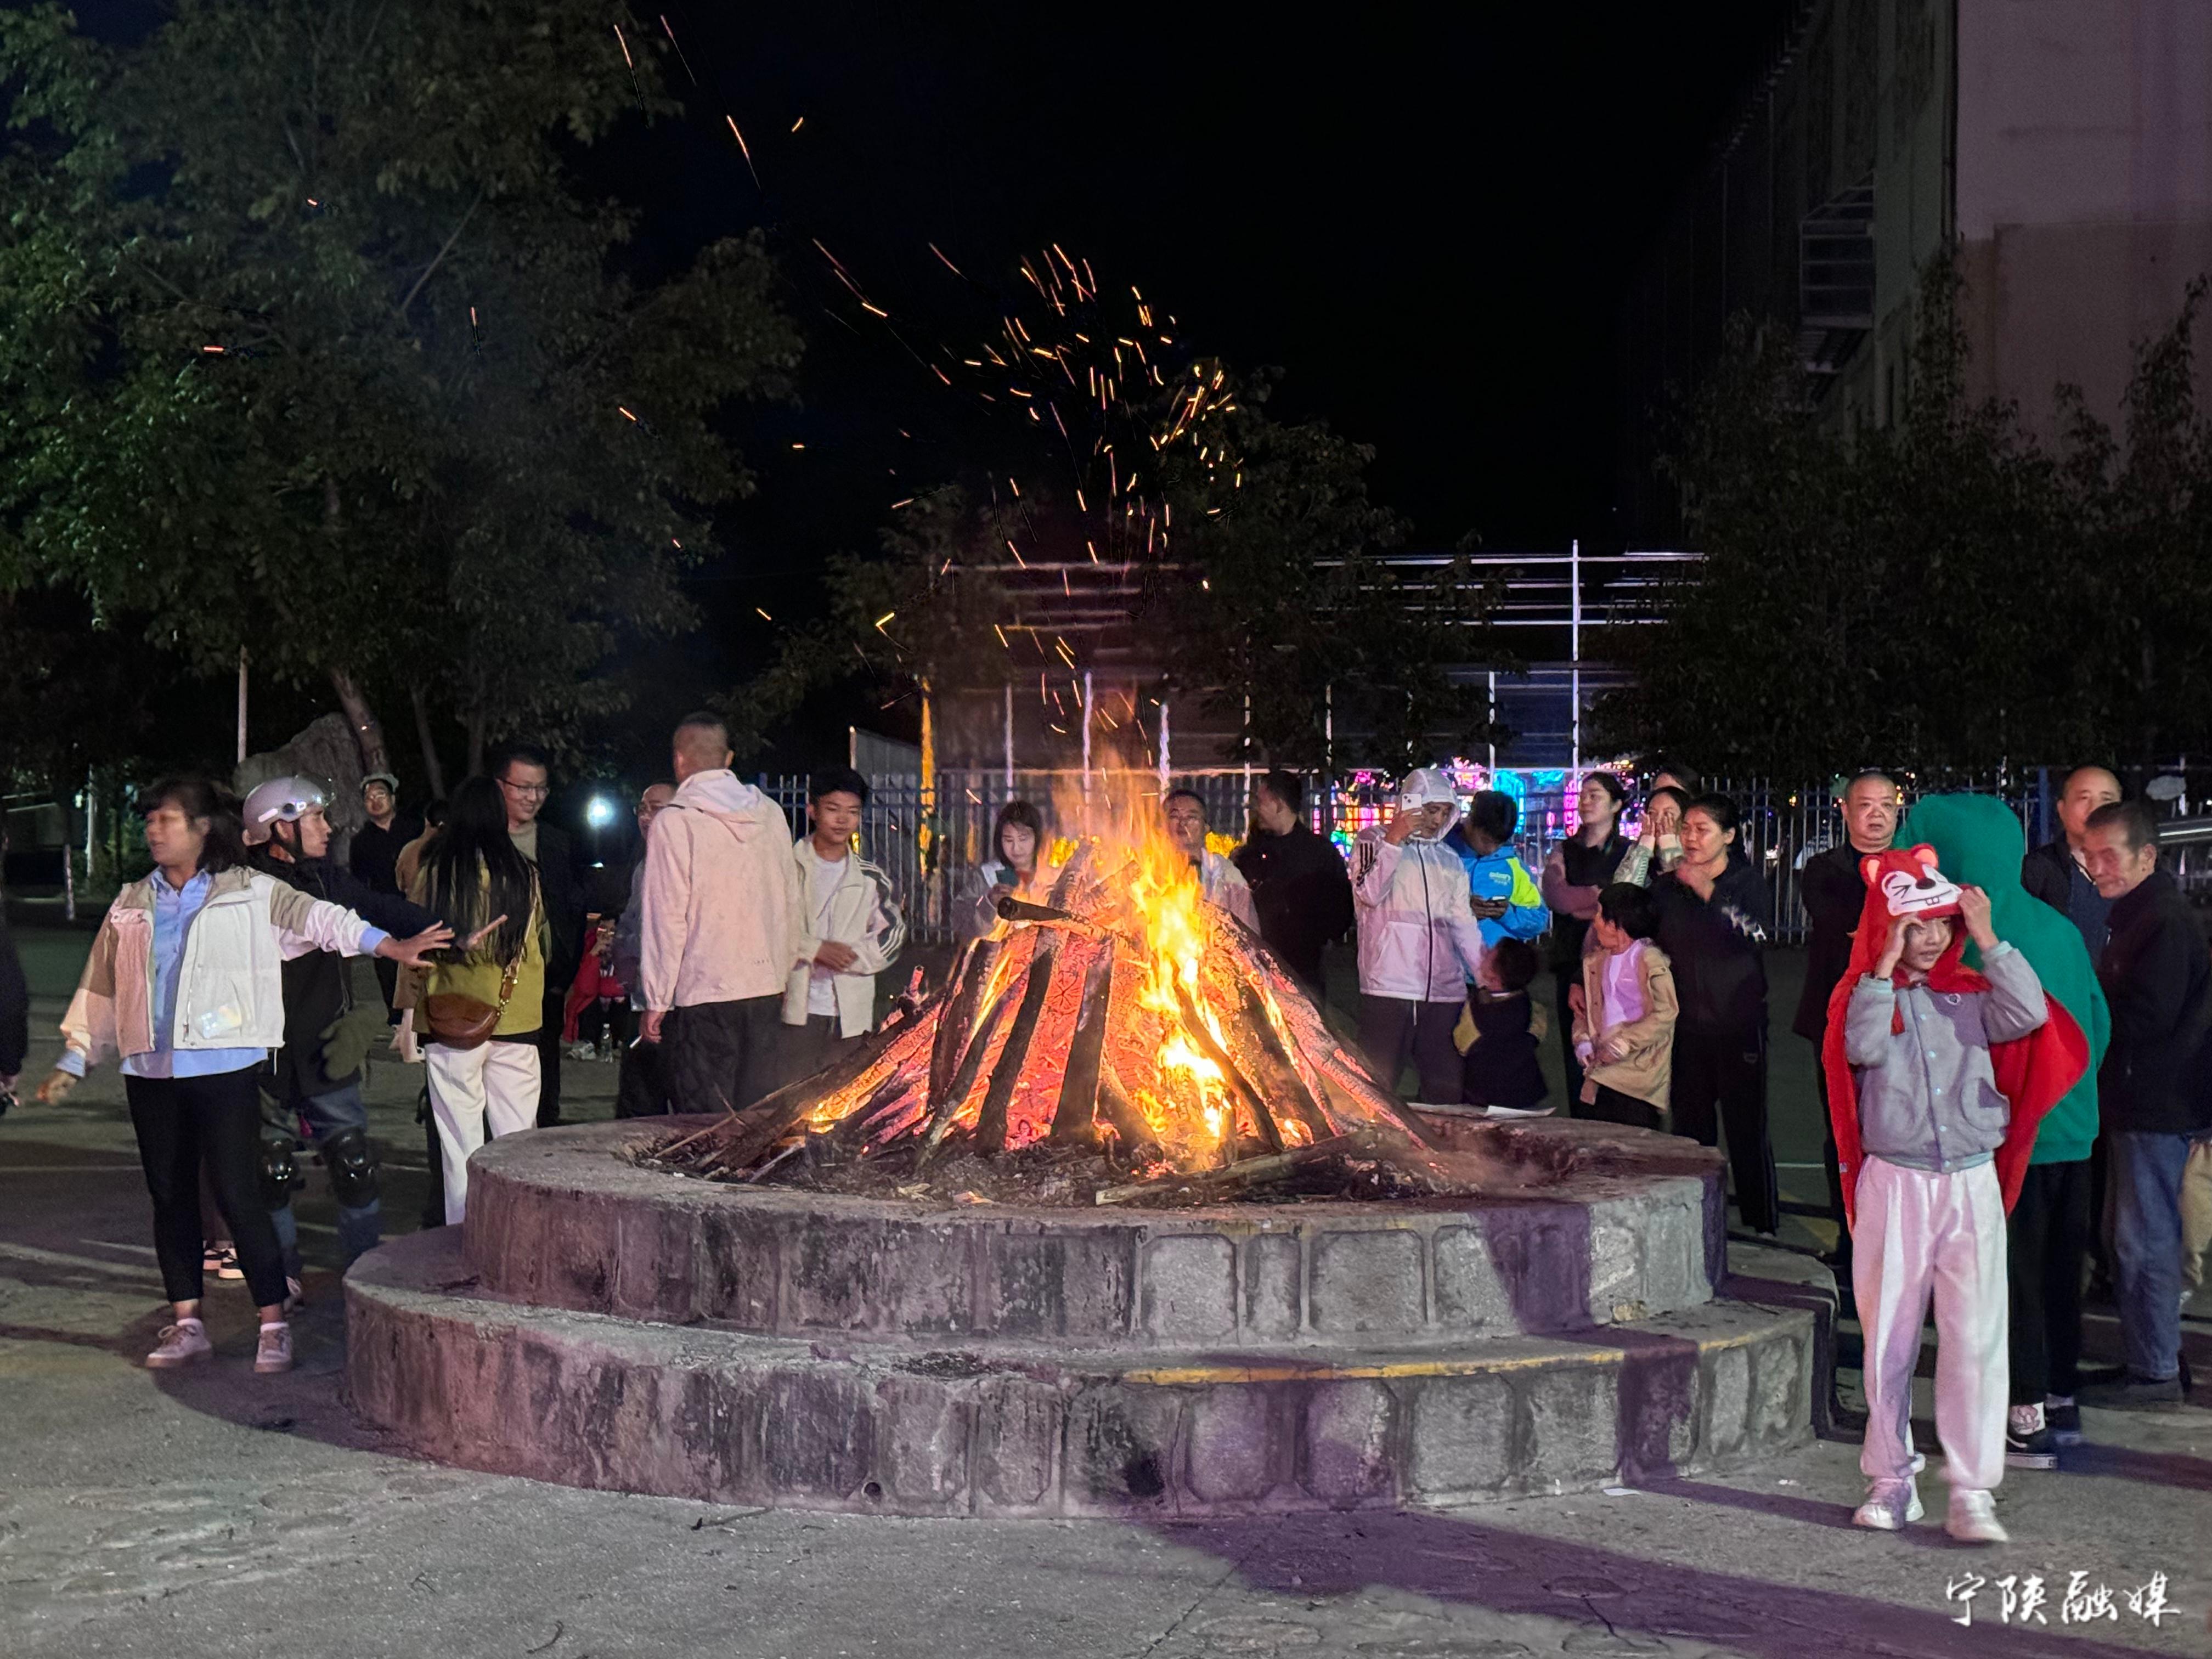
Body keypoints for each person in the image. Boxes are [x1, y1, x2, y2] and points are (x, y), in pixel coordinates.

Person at [35, 779, 445, 1373]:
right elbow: (102, 984)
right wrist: (77, 1056)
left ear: (203, 828)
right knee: (171, 1198)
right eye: (150, 820)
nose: (154, 830)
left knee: (241, 1193)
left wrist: (390, 947)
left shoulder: (251, 891)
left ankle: (273, 1322)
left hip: (224, 1067)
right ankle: (187, 1322)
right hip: (151, 1070)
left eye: (167, 819)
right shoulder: (131, 902)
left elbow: (323, 919)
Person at [1822, 847, 2082, 1543]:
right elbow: (1860, 1048)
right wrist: (1882, 966)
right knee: (1889, 1340)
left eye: (1941, 922)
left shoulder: (1972, 991)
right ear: (1887, 927)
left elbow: (2029, 1013)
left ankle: (1972, 1489)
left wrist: (1990, 939)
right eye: (1916, 924)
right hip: (1895, 1182)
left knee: (1975, 1337)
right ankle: (1890, 1480)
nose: (1932, 937)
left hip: (1970, 1179)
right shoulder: (1865, 995)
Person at [1898, 792, 2109, 1467]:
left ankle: (2023, 1413)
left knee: (2007, 1281)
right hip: (2075, 1129)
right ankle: (2060, 1391)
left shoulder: (1963, 942)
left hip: (2012, 1139)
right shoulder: (2058, 927)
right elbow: (2098, 1023)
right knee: (2059, 1271)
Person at [241, 774, 449, 1279]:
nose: (328, 828)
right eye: (316, 818)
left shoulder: (327, 880)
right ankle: (280, 1280)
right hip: (260, 1054)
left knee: (355, 1164)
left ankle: (364, 1273)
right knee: (270, 1169)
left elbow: (380, 909)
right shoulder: (241, 889)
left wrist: (450, 932)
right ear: (280, 827)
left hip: (325, 1046)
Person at [2078, 799, 2211, 1409]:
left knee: (2144, 1239)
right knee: (2131, 1237)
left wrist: (2087, 1012)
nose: (2096, 868)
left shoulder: (2162, 922)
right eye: (2090, 855)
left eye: (2109, 856)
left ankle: (2155, 1371)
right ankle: (2153, 1360)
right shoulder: (2142, 915)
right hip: (2143, 1101)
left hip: (2156, 1104)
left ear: (2147, 857)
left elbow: (2148, 1019)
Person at [640, 715, 811, 1115]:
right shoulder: (771, 814)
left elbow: (667, 917)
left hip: (704, 993)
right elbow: (790, 900)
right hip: (765, 988)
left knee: (706, 1119)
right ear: (729, 758)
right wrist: (784, 973)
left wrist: (657, 998)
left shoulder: (675, 821)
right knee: (756, 1117)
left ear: (679, 760)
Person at [405, 775, 546, 1224]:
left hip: (452, 1017)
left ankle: (463, 1236)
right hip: (517, 1017)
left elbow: (413, 941)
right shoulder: (524, 873)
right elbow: (538, 941)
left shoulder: (436, 872)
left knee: (458, 1143)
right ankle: (519, 1232)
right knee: (517, 1141)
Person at [1651, 793, 1779, 1235]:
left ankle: (1761, 1223)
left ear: (1728, 836)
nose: (1690, 837)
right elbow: (1633, 925)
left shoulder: (1745, 882)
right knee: (1690, 1129)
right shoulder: (1669, 887)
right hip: (1686, 1026)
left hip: (1738, 1025)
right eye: (1685, 828)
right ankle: (1696, 1216)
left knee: (1746, 1128)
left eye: (1702, 829)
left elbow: (1756, 934)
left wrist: (1708, 889)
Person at [1793, 771, 1900, 1280]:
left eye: (1886, 805)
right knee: (1843, 1128)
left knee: (1895, 1128)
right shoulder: (1824, 869)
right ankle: (1849, 1235)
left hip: (1900, 1017)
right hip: (1836, 1016)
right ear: (1844, 810)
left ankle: (1894, 1239)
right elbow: (1846, 925)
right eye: (1865, 805)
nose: (1876, 815)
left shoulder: (1915, 865)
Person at [1351, 769, 1489, 1103]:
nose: (1437, 819)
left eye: (1445, 811)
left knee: (1447, 1090)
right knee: (1375, 1090)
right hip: (1389, 987)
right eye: (1431, 809)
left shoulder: (1449, 859)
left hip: (1444, 992)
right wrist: (1394, 841)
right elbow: (1369, 893)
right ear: (1409, 804)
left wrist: (1488, 977)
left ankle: (1440, 1141)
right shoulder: (1371, 841)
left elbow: (1464, 924)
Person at [783, 767, 906, 1081]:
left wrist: (852, 957)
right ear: (812, 810)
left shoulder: (869, 877)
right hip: (793, 1013)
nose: (842, 820)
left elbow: (892, 933)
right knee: (789, 1097)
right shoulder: (786, 868)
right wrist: (814, 949)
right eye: (833, 809)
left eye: (852, 812)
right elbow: (764, 927)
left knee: (841, 1097)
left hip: (850, 1017)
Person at [488, 743, 585, 1129]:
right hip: (487, 978)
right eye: (523, 788)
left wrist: (564, 973)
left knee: (543, 1066)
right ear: (500, 786)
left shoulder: (558, 843)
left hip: (543, 979)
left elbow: (572, 911)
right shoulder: (481, 840)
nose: (533, 797)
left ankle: (542, 1134)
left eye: (541, 788)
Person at [1539, 771, 1630, 1103]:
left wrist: (1585, 901)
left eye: (1595, 795)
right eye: (1583, 795)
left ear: (1616, 805)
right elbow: (1558, 897)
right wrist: (1599, 897)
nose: (1586, 802)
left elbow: (1628, 901)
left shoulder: (1629, 853)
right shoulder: (1564, 850)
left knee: (1618, 1045)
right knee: (1578, 1049)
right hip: (1571, 961)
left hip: (1617, 964)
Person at [1230, 770, 1355, 998]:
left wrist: (1314, 933)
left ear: (1278, 804)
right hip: (1256, 971)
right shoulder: (1252, 855)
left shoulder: (1319, 853)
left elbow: (1341, 911)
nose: (1256, 808)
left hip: (1304, 971)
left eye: (1261, 801)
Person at [1572, 883, 1678, 1132]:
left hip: (1638, 1081)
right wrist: (1583, 1041)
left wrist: (1623, 1044)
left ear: (1617, 925)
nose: (1595, 921)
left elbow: (1666, 1012)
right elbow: (1587, 1011)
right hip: (1601, 1075)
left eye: (1601, 914)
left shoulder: (1649, 960)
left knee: (1635, 1146)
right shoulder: (1596, 962)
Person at [611, 781, 676, 1117]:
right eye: (642, 809)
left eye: (658, 809)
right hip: (641, 996)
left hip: (673, 1005)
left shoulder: (685, 865)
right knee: (637, 1104)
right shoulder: (643, 866)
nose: (647, 817)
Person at [2022, 766, 2123, 953]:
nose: (2095, 808)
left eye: (2106, 800)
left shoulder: (2143, 871)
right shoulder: (2037, 870)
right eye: (2084, 798)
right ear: (2062, 809)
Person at [1444, 789, 1547, 950]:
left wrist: (1507, 914)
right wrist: (1463, 911)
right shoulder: (1440, 855)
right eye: (1486, 840)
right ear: (1469, 822)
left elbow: (1539, 919)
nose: (1491, 849)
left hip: (1493, 963)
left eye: (1499, 843)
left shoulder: (1512, 865)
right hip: (1444, 961)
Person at [1458, 937, 1547, 1115]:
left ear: (1494, 977)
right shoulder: (1530, 1007)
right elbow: (1538, 1030)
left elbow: (1462, 1043)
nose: (1484, 953)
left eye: (1488, 955)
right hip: (1524, 1090)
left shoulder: (1477, 1011)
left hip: (1483, 1092)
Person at [1163, 788, 1257, 929]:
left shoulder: (1227, 874)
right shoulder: (1150, 873)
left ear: (1206, 827)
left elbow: (1248, 930)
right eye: (1175, 816)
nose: (1183, 823)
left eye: (1191, 817)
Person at [958, 800, 1049, 941]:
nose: (1016, 848)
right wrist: (989, 904)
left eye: (1023, 839)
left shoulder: (1051, 876)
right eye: (1009, 840)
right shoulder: (987, 875)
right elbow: (964, 925)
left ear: (1037, 837)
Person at [1614, 785, 1692, 888]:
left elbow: (1682, 893)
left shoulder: (1695, 856)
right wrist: (1644, 849)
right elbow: (1621, 893)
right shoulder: (1636, 850)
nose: (1658, 821)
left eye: (1668, 814)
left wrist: (1669, 844)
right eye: (1652, 813)